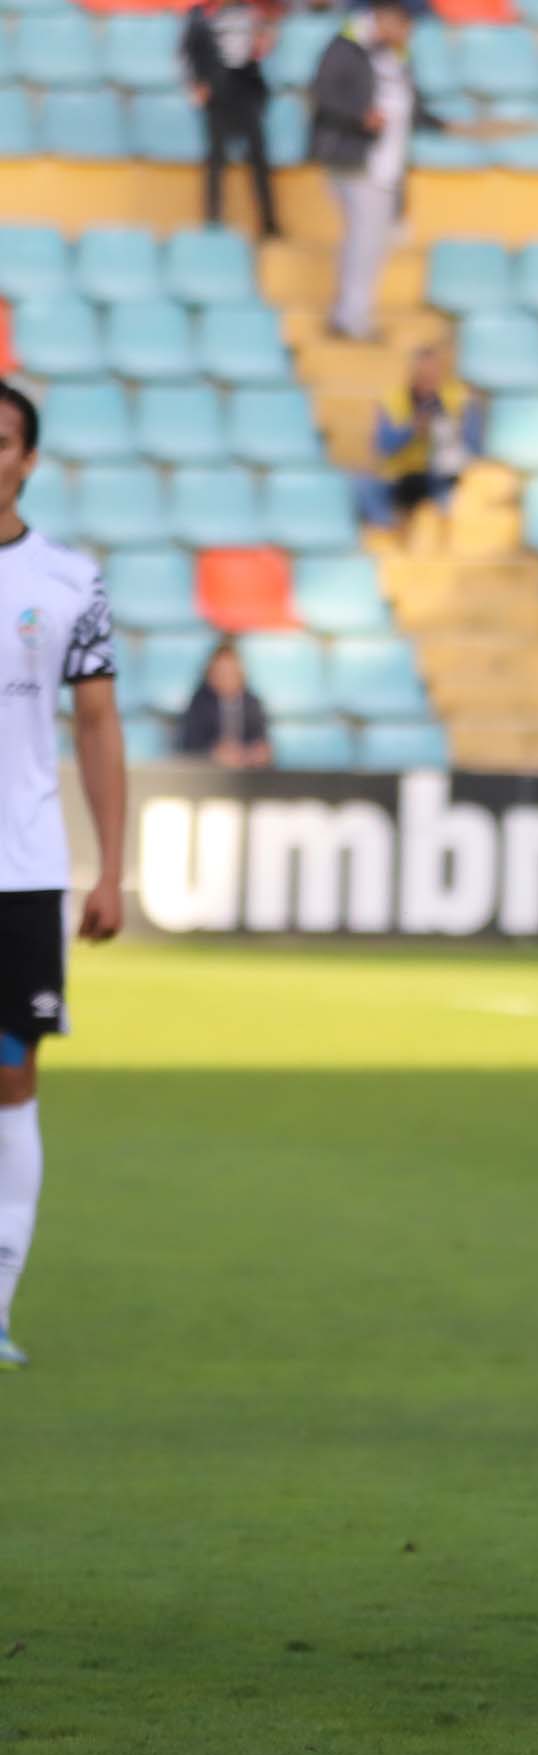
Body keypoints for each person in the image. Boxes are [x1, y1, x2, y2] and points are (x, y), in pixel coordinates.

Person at [0, 382, 127, 1373]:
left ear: (28, 459)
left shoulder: (70, 580)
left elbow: (95, 725)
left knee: (11, 1074)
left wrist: (111, 865)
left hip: (21, 869)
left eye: (3, 442)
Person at [309, 1, 437, 344]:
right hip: (356, 160)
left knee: (373, 242)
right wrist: (359, 116)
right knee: (364, 242)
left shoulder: (397, 58)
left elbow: (411, 108)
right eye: (404, 22)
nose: (408, 31)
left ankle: (351, 314)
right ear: (386, 16)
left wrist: (442, 124)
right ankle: (351, 318)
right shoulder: (346, 47)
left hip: (387, 167)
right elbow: (324, 94)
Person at [358, 343, 483, 531]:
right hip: (402, 476)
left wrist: (451, 437)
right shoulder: (393, 400)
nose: (428, 381)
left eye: (433, 376)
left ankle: (443, 534)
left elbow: (475, 448)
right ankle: (388, 533)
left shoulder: (460, 400)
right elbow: (382, 446)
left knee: (456, 494)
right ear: (413, 374)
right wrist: (411, 429)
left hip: (443, 477)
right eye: (423, 376)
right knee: (361, 484)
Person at [182, 1, 279, 240]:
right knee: (216, 159)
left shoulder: (252, 13)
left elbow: (263, 46)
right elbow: (187, 52)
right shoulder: (200, 16)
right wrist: (197, 84)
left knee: (258, 159)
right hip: (218, 92)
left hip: (246, 89)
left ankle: (269, 224)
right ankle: (213, 220)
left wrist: (263, 38)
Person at [172, 636, 273, 769]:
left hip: (248, 777)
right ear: (210, 675)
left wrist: (255, 753)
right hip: (209, 776)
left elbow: (262, 743)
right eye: (221, 672)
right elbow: (188, 746)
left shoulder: (253, 703)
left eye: (230, 672)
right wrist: (213, 753)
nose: (226, 678)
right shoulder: (199, 704)